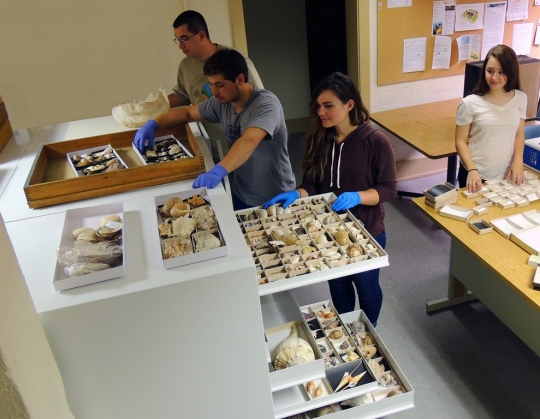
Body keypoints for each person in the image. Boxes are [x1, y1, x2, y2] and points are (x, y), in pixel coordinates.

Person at [264, 72, 397, 326]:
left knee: (367, 287)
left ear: (349, 105)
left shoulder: (376, 142)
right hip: (327, 231)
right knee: (338, 286)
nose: (320, 112)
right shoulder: (319, 138)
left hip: (366, 230)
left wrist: (358, 196)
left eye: (328, 106)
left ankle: (370, 332)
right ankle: (346, 328)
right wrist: (298, 193)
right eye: (318, 106)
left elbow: (388, 189)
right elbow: (312, 183)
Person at [134, 49, 295, 210]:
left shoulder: (266, 105)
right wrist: (153, 124)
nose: (214, 92)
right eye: (211, 85)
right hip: (243, 190)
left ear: (240, 79)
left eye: (220, 85)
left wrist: (218, 170)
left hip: (275, 194)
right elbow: (187, 112)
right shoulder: (222, 102)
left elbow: (249, 140)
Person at [455, 44, 526, 193]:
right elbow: (460, 141)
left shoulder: (520, 98)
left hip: (506, 174)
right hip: (476, 174)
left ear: (511, 72)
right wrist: (472, 170)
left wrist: (518, 160)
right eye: (490, 71)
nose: (494, 77)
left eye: (501, 72)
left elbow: (519, 133)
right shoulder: (469, 103)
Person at [169, 10, 263, 107]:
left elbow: (260, 98)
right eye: (178, 39)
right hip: (200, 120)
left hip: (234, 122)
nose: (180, 46)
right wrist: (158, 106)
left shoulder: (234, 59)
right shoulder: (185, 65)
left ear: (201, 35)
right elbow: (182, 96)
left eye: (184, 39)